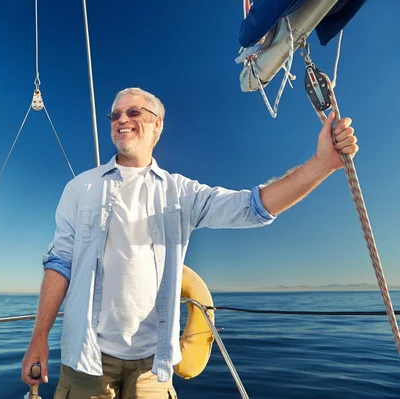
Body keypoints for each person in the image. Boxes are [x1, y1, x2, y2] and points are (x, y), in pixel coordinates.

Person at [21, 87, 358, 398]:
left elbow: (252, 207)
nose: (122, 119)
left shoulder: (180, 192)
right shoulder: (80, 188)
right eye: (116, 114)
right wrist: (39, 338)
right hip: (86, 360)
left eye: (134, 112)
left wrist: (322, 164)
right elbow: (60, 262)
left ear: (158, 126)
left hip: (153, 366)